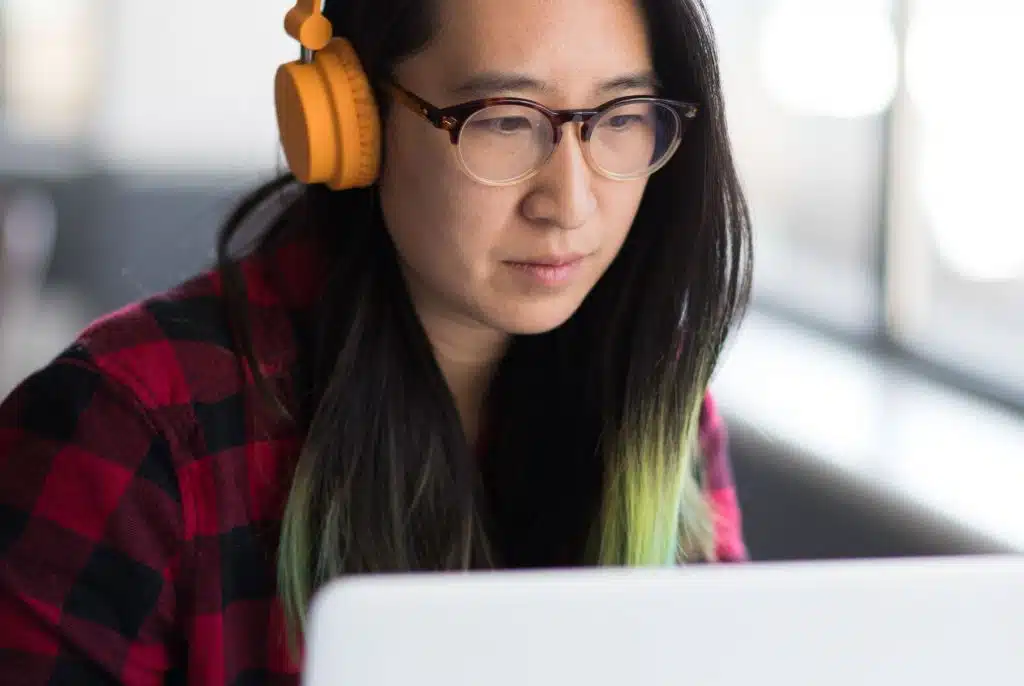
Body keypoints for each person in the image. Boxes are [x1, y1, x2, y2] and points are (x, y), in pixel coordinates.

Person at [0, 0, 753, 682]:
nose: (571, 202)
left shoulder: (657, 386)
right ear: (350, 124)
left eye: (622, 117)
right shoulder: (126, 431)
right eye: (505, 119)